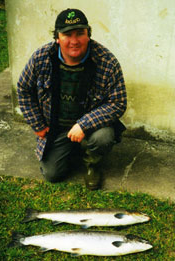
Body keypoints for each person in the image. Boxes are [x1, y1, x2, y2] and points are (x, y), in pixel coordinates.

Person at [17, 8, 127, 190]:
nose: (74, 41)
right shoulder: (41, 57)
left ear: (88, 35)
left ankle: (92, 165)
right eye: (67, 34)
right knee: (53, 174)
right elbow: (23, 88)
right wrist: (36, 123)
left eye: (80, 34)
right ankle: (71, 149)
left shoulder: (107, 61)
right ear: (57, 37)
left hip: (91, 128)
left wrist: (84, 125)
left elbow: (118, 102)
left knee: (103, 137)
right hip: (56, 127)